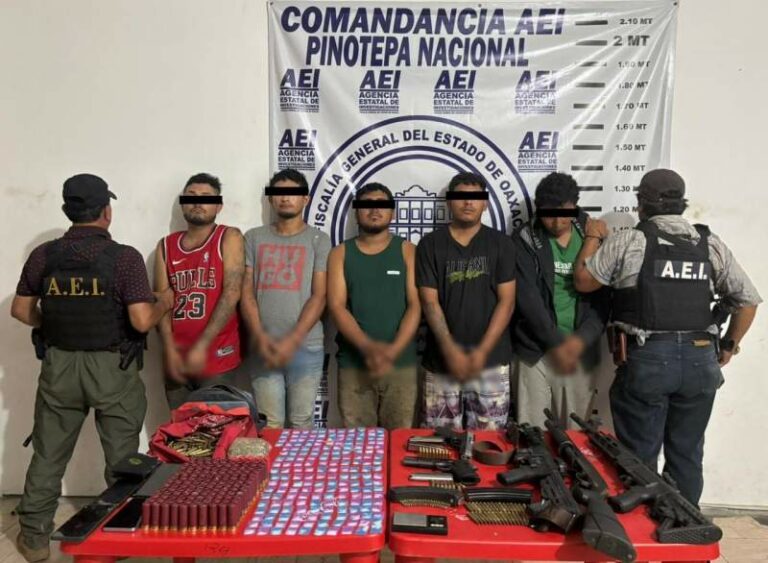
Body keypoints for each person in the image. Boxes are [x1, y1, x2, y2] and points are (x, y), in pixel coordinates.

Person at [10, 174, 174, 562]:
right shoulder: (124, 258)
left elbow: (21, 310)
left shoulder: (44, 256)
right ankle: (116, 533)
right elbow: (141, 320)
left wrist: (52, 326)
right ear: (106, 211)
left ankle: (34, 538)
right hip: (112, 366)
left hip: (59, 365)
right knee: (121, 457)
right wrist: (165, 301)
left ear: (67, 210)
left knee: (49, 455)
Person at [573, 168, 761, 506]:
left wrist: (592, 238)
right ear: (682, 204)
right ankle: (686, 527)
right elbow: (747, 301)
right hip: (700, 360)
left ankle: (645, 530)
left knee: (638, 457)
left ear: (641, 204)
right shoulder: (708, 243)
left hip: (648, 361)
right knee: (687, 453)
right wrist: (728, 346)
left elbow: (585, 281)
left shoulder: (631, 240)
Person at [416, 172, 517, 430]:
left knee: (489, 442)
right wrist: (450, 350)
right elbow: (429, 302)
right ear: (450, 201)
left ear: (485, 203)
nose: (468, 202)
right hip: (442, 362)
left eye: (475, 197)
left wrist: (482, 351)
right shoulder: (430, 245)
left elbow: (507, 302)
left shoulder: (502, 244)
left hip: (491, 362)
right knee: (439, 442)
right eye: (461, 196)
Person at [512, 172, 609, 429]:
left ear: (574, 206)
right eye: (548, 215)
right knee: (532, 434)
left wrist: (580, 340)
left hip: (579, 350)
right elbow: (527, 299)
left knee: (576, 434)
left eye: (564, 213)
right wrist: (556, 343)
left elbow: (603, 298)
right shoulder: (524, 238)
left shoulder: (593, 234)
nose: (556, 222)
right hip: (534, 350)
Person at [241, 168, 331, 428]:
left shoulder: (319, 239)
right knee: (270, 424)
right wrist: (259, 337)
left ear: (305, 199)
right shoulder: (254, 237)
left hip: (305, 346)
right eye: (279, 193)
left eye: (293, 193)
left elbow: (320, 295)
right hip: (264, 345)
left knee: (302, 421)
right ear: (271, 198)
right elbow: (246, 291)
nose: (285, 198)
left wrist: (292, 340)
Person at [327, 182, 421, 429]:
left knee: (400, 439)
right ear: (356, 212)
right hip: (354, 364)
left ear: (393, 213)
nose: (374, 210)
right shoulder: (339, 254)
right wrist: (368, 348)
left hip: (401, 364)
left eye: (382, 205)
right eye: (367, 205)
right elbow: (337, 306)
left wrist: (392, 352)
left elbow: (415, 306)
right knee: (359, 443)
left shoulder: (408, 251)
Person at [154, 173, 245, 410]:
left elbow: (232, 293)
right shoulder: (166, 245)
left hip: (216, 355)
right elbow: (162, 303)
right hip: (178, 359)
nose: (197, 202)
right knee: (180, 428)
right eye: (191, 196)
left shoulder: (229, 236)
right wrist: (169, 351)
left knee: (216, 426)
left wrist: (201, 345)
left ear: (218, 206)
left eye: (206, 197)